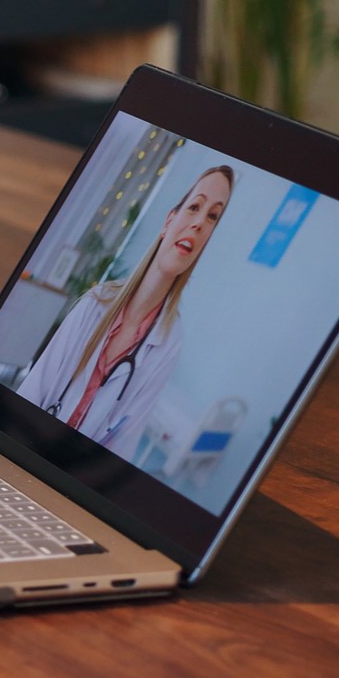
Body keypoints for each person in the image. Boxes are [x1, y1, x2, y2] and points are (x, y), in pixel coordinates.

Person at [15, 165, 237, 459]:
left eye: (212, 217)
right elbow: (31, 392)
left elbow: (123, 444)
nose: (199, 223)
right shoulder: (96, 303)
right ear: (168, 221)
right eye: (195, 206)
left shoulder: (168, 342)